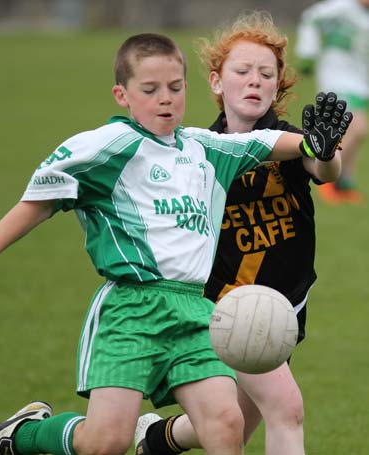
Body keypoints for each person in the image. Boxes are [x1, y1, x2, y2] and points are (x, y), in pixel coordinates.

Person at [0, 32, 349, 455]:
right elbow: (38, 202)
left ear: (187, 88)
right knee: (106, 441)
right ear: (122, 94)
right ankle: (19, 436)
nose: (164, 99)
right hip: (132, 310)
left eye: (173, 88)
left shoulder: (206, 148)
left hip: (194, 310)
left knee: (226, 425)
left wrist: (314, 144)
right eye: (150, 90)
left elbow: (266, 143)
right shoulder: (104, 148)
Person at [134, 12, 344, 455]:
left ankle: (156, 439)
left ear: (277, 85)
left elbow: (324, 168)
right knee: (287, 409)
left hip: (285, 305)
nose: (255, 81)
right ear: (215, 82)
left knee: (233, 425)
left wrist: (324, 151)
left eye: (266, 74)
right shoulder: (197, 150)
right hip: (228, 306)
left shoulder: (289, 140)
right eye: (242, 71)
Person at [296, 0, 369, 204]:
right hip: (337, 77)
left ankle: (343, 184)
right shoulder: (341, 7)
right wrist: (307, 53)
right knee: (358, 128)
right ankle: (327, 177)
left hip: (360, 81)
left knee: (355, 133)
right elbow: (311, 18)